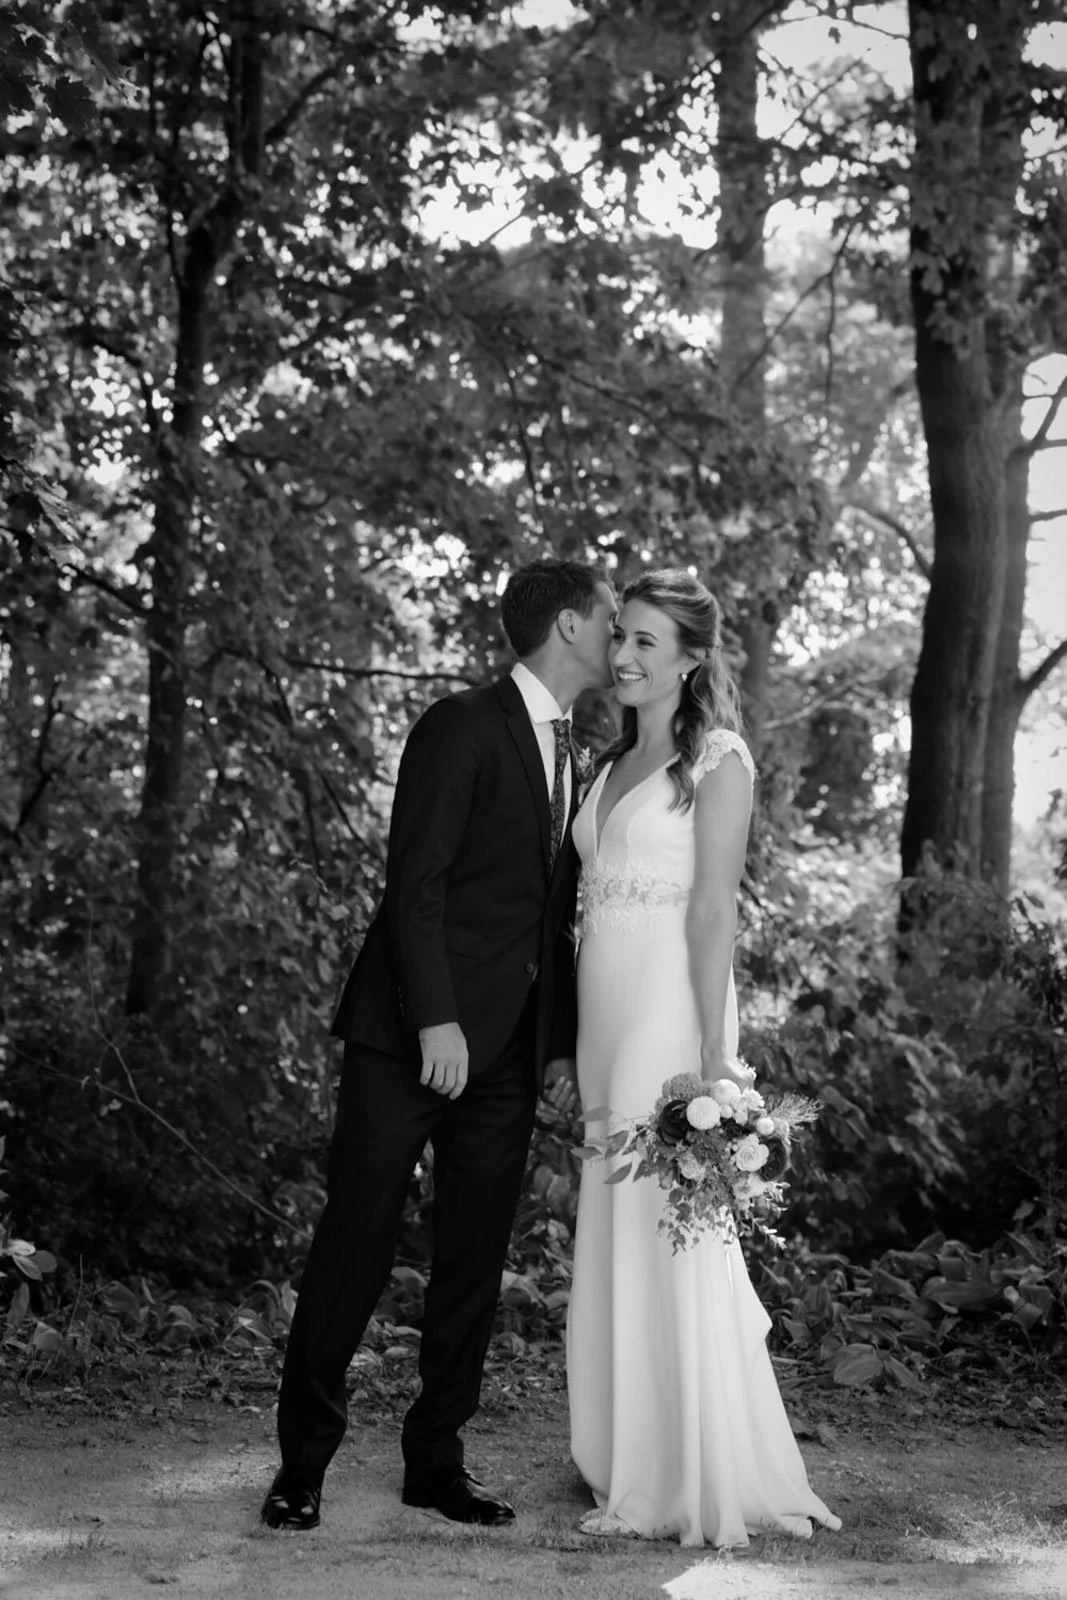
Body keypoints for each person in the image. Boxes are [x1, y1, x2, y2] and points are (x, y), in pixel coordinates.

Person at [261, 558, 616, 1532]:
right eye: (608, 618)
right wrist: (436, 1020)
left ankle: (436, 1463)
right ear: (569, 624)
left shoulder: (575, 749)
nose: (617, 636)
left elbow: (549, 914)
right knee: (355, 1241)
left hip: (508, 1051)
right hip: (407, 1035)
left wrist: (554, 1041)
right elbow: (413, 881)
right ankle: (301, 1466)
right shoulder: (459, 724)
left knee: (472, 1259)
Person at [565, 567, 841, 1547]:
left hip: (667, 1019)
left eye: (645, 641)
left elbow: (714, 909)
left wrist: (715, 1054)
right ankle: (622, 1453)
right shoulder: (604, 763)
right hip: (600, 1017)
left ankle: (679, 1468)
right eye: (620, 636)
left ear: (689, 658)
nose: (623, 655)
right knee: (613, 1222)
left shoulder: (716, 760)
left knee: (665, 1229)